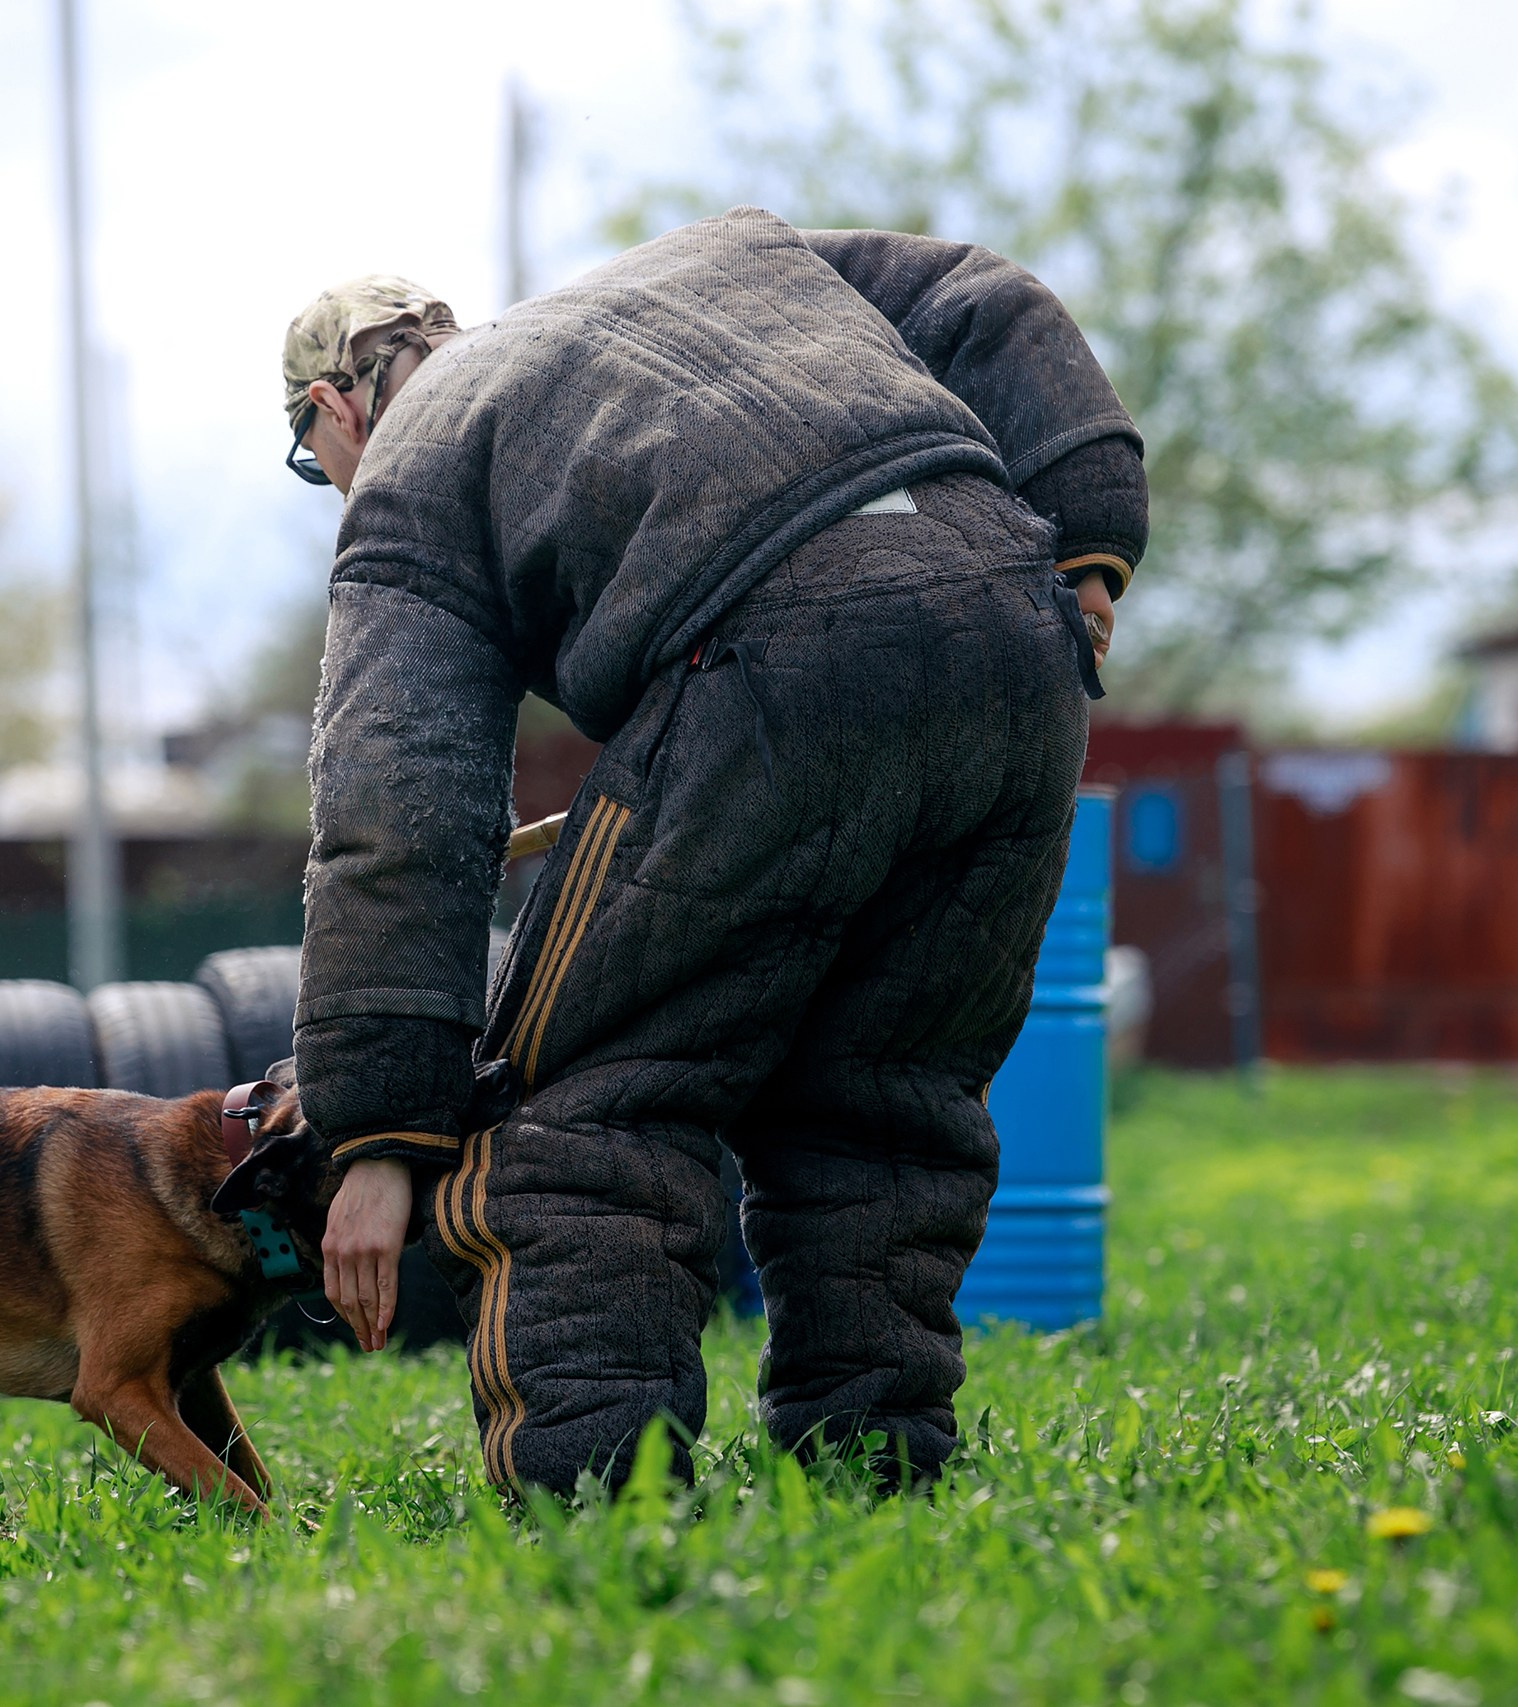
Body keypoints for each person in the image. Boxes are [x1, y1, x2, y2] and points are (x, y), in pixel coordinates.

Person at [280, 207, 1146, 1498]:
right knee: (888, 1100)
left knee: (589, 1113)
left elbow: (396, 813)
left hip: (768, 667)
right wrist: (1089, 538)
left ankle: (600, 1499)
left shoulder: (415, 464)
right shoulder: (735, 254)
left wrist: (379, 1127)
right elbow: (983, 291)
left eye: (314, 466)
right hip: (1019, 649)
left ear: (331, 410)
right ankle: (870, 1473)